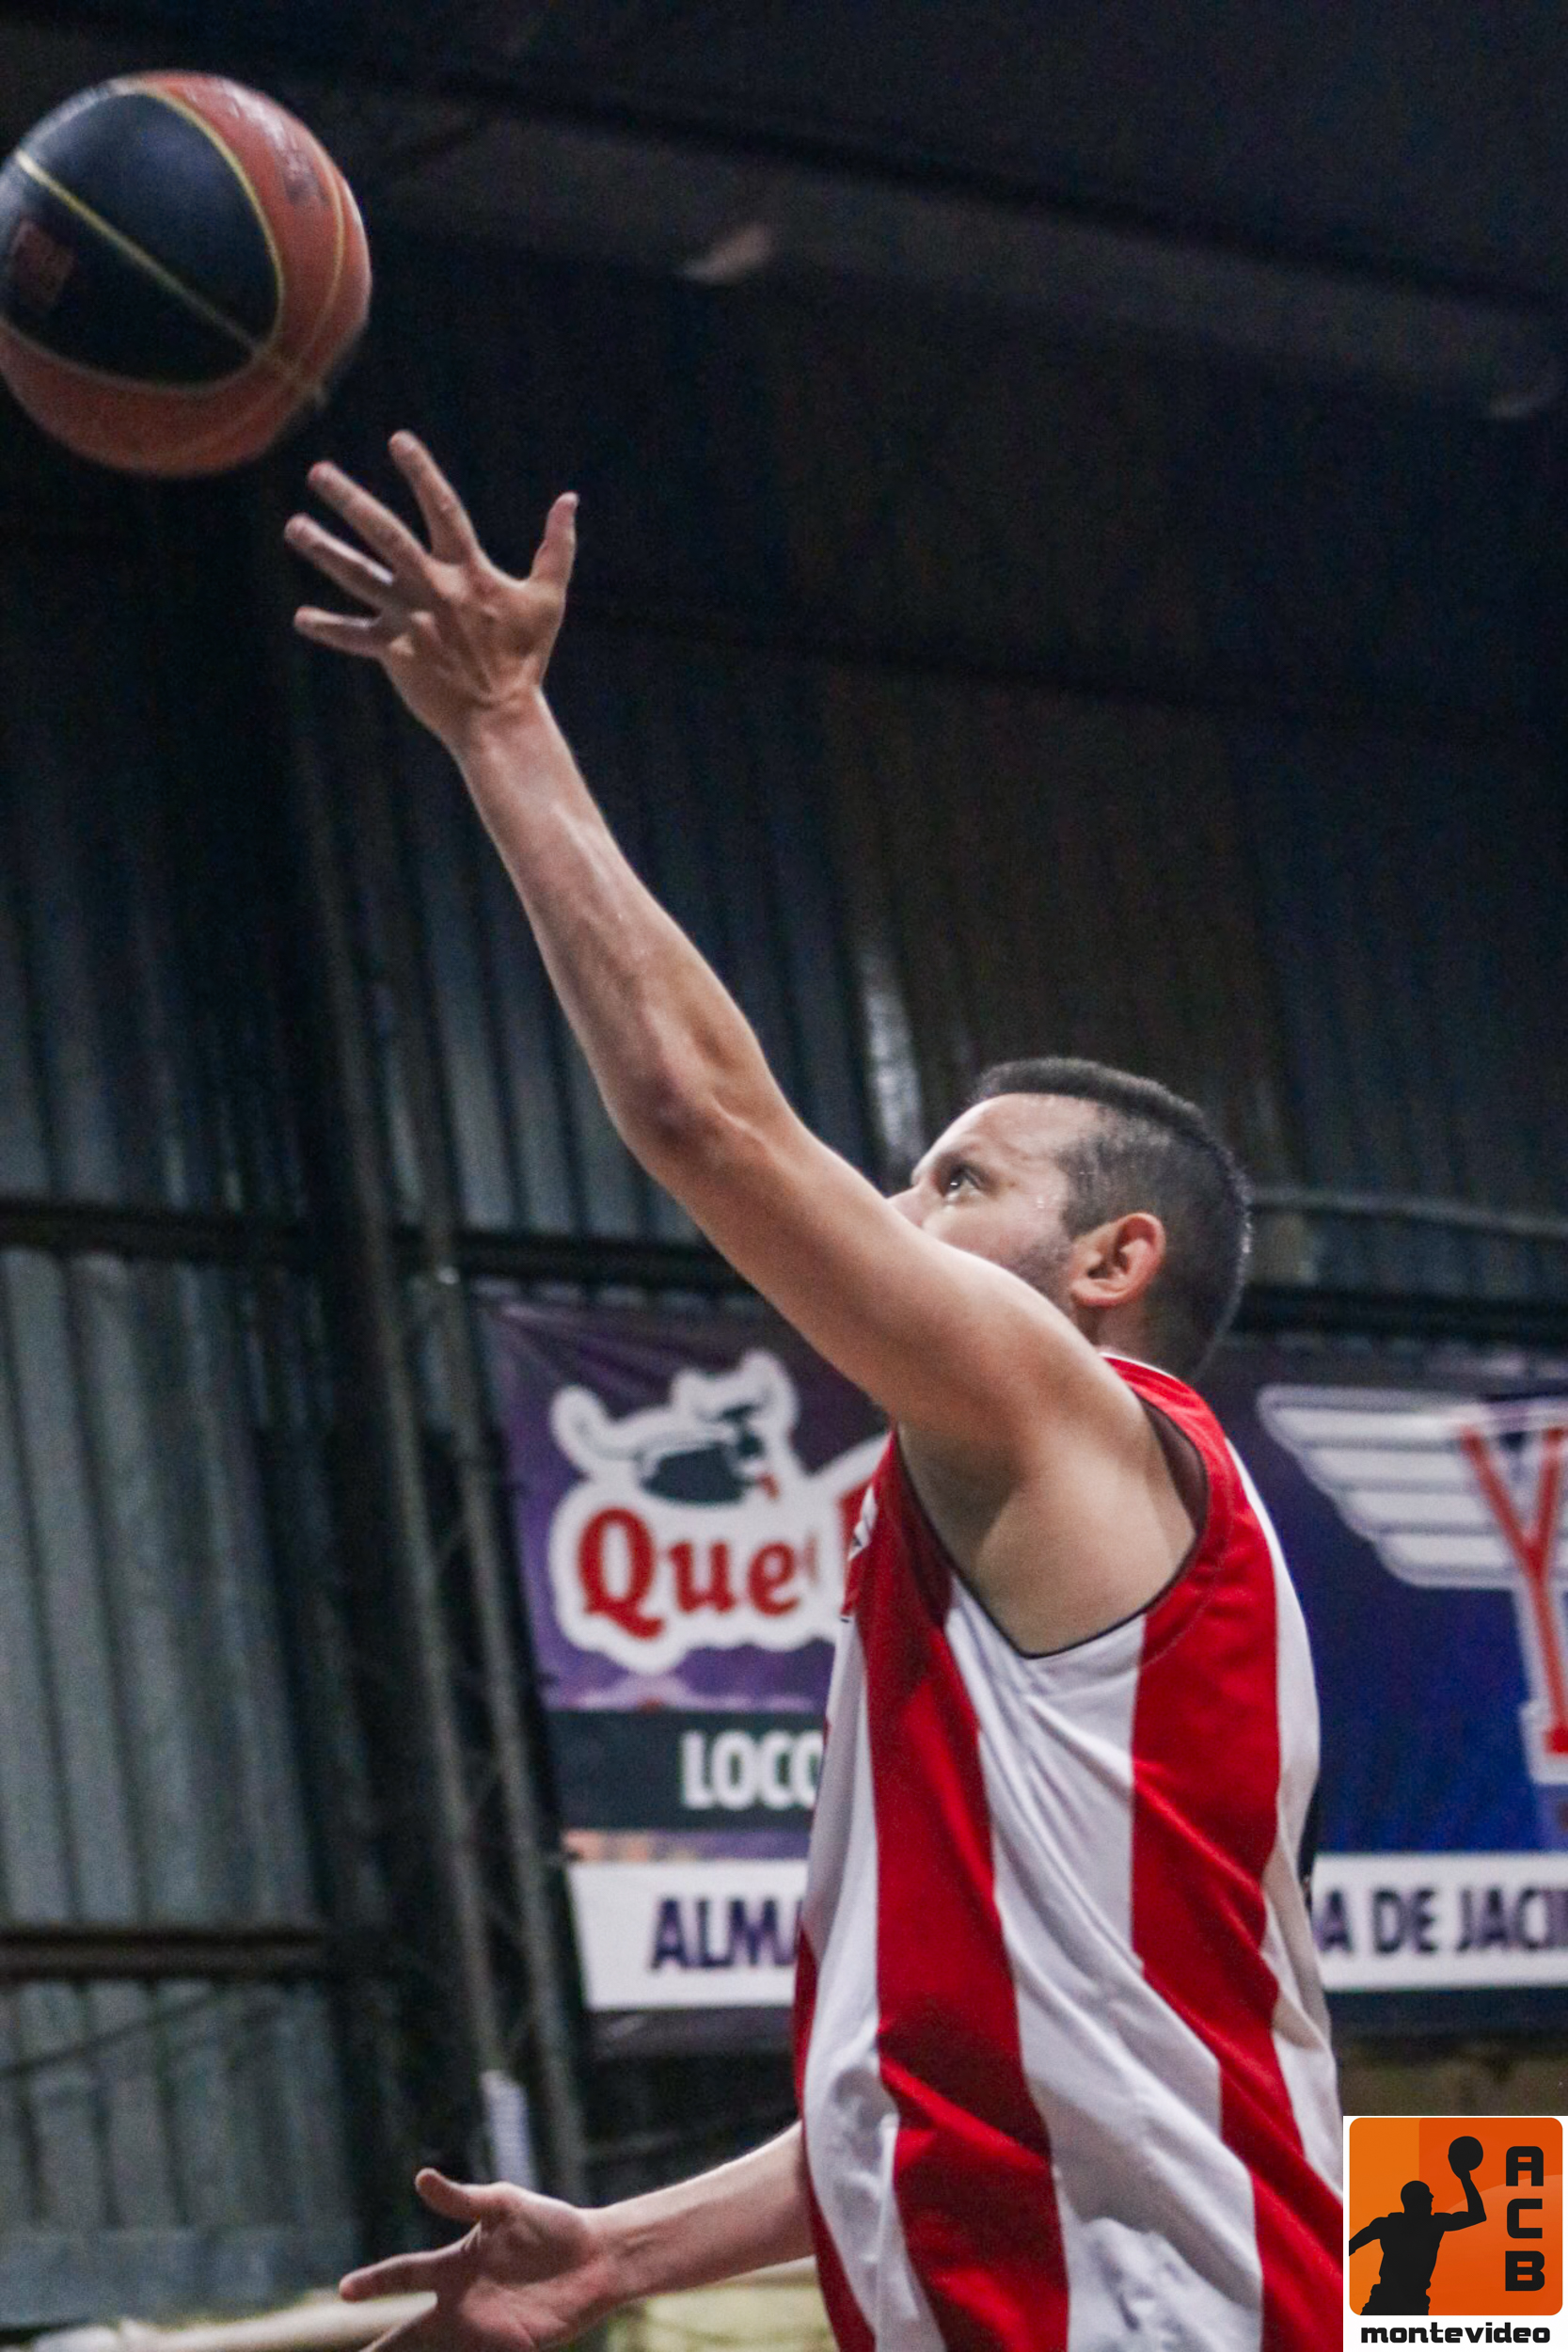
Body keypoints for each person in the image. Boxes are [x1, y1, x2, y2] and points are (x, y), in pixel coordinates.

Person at [286, 437, 1342, 2352]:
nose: (894, 1210)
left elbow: (703, 1117)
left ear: (1109, 1264)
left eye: (956, 1180)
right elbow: (934, 2072)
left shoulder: (1067, 1407)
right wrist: (618, 2251)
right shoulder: (1050, 1553)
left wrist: (500, 723)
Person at [1352, 2164, 1485, 2315]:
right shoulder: (1430, 2224)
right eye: (1427, 2197)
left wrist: (1465, 2178)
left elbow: (1477, 2216)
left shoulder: (1389, 2225)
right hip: (1394, 2303)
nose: (1432, 2198)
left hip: (1402, 2303)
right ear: (1416, 2202)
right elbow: (1477, 2215)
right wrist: (1465, 2178)